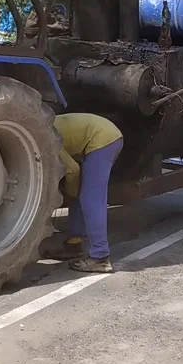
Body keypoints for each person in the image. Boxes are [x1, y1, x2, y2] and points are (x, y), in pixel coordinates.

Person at [53, 113, 124, 273]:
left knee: (90, 199)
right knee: (81, 194)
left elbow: (72, 170)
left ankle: (100, 257)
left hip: (103, 139)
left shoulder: (45, 137)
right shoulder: (40, 127)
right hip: (103, 134)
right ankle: (73, 245)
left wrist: (69, 192)